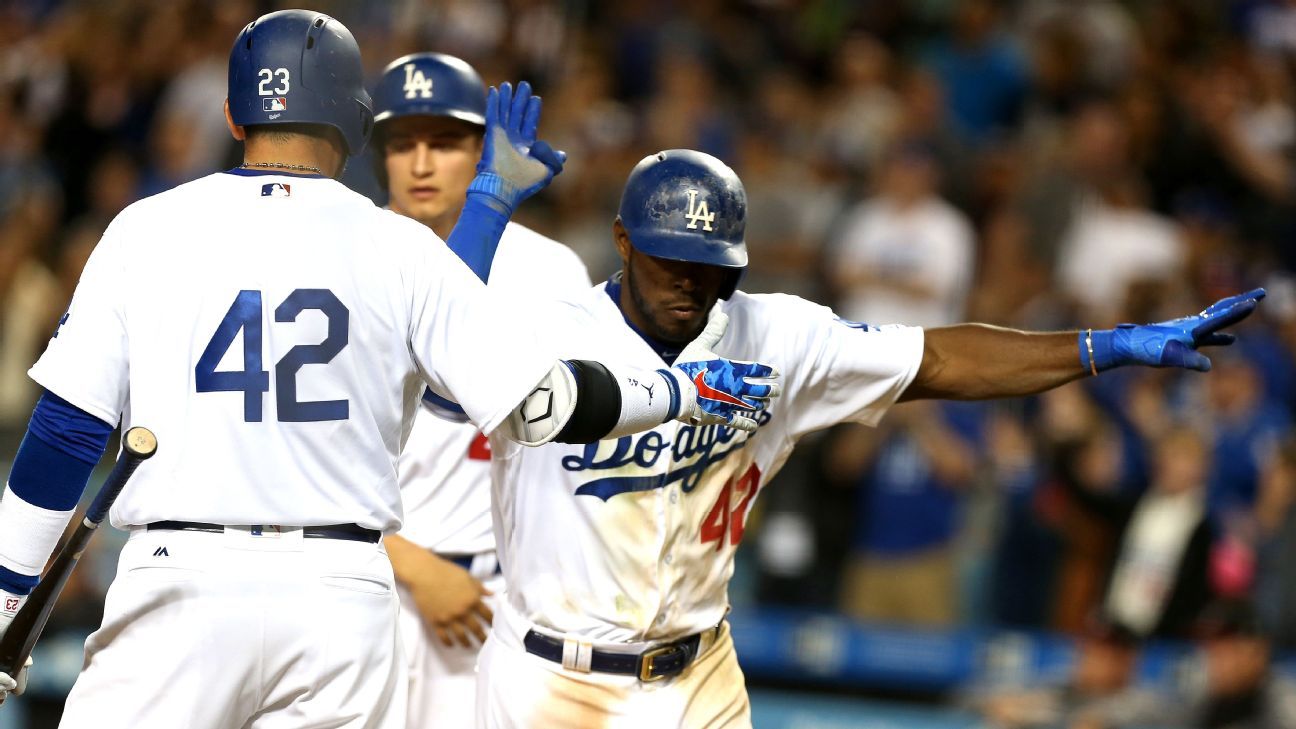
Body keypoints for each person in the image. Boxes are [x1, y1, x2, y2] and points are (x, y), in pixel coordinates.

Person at [0, 12, 779, 727]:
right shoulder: (398, 248)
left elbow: (67, 435)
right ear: (356, 120)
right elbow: (542, 404)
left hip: (180, 580)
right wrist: (681, 387)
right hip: (342, 601)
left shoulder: (148, 227)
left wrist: (7, 593)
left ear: (235, 117)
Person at [453, 148, 1263, 727]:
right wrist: (485, 210)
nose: (693, 283)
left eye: (713, 264)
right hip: (552, 676)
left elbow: (938, 355)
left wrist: (1104, 345)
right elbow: (439, 376)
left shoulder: (777, 333)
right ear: (625, 242)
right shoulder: (548, 330)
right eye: (671, 261)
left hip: (698, 670)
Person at [370, 52, 591, 728]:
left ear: (484, 148)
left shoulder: (551, 271)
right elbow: (291, 452)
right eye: (403, 143)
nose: (422, 163)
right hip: (366, 585)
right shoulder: (346, 257)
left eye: (446, 141)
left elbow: (572, 449)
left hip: (501, 597)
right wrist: (411, 564)